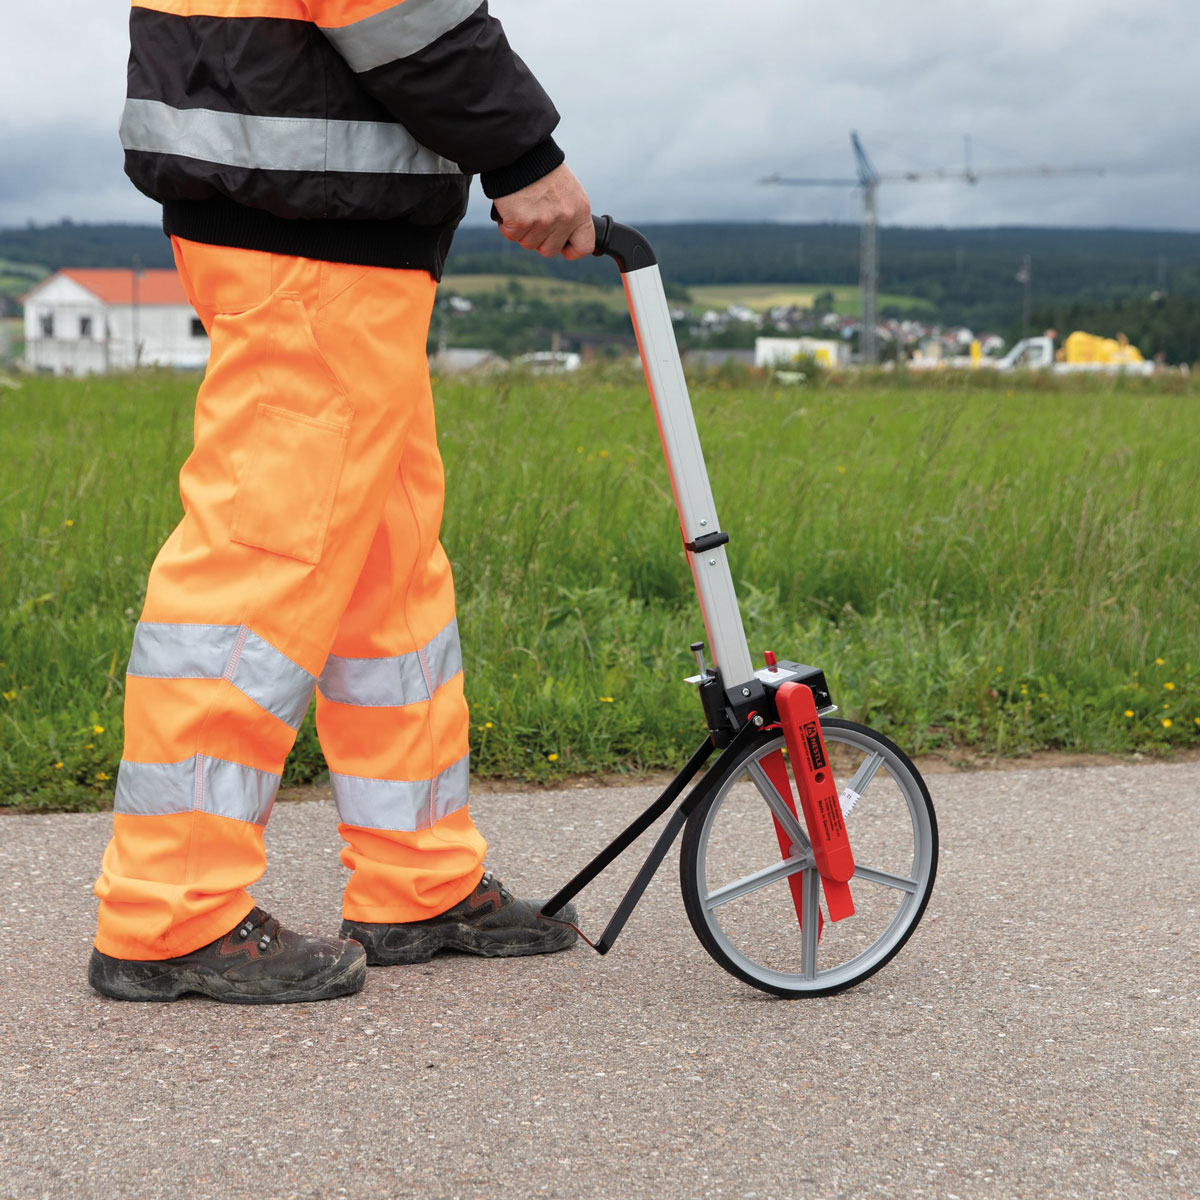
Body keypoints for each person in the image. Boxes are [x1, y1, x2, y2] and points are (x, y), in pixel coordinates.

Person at [89, 0, 595, 1004]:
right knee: (261, 563)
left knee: (386, 569)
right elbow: (403, 9)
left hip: (326, 232)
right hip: (308, 237)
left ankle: (420, 881)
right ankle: (170, 910)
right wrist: (523, 153)